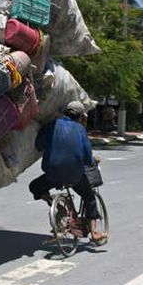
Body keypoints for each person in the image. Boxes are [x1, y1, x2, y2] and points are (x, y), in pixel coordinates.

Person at [29, 101, 107, 245]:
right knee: (89, 197)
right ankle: (95, 232)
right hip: (74, 176)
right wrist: (92, 160)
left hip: (52, 174)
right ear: (80, 117)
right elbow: (87, 157)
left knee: (34, 186)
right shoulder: (80, 130)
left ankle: (55, 204)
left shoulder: (51, 125)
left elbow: (39, 145)